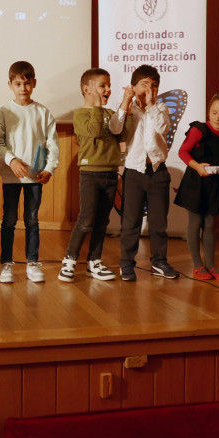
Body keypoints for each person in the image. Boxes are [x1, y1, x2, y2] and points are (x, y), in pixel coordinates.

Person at [0, 61, 59, 284]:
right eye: (18, 83)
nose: (23, 88)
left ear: (34, 83)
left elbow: (53, 144)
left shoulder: (42, 112)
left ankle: (32, 262)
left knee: (32, 220)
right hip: (11, 177)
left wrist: (49, 169)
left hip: (35, 177)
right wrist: (12, 160)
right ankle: (6, 263)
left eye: (27, 83)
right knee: (9, 220)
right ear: (10, 84)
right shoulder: (5, 111)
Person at [108, 64, 177, 281]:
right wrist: (126, 102)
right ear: (134, 86)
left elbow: (163, 128)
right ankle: (127, 264)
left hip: (157, 170)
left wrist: (151, 105)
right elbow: (115, 129)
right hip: (134, 171)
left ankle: (159, 262)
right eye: (144, 84)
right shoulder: (126, 108)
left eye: (154, 85)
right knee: (130, 222)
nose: (149, 89)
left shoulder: (161, 107)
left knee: (159, 223)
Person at [58, 68, 123, 283]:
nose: (108, 89)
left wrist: (128, 111)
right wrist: (96, 107)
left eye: (109, 85)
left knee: (102, 221)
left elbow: (124, 134)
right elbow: (94, 131)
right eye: (103, 85)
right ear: (87, 89)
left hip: (110, 173)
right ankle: (69, 260)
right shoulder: (81, 114)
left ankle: (94, 261)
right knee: (86, 219)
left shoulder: (110, 114)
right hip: (90, 173)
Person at [175, 91, 219, 281]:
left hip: (214, 183)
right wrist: (197, 166)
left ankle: (211, 265)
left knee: (211, 224)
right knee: (195, 223)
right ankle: (198, 265)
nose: (217, 118)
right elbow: (183, 151)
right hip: (195, 182)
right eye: (213, 113)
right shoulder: (199, 130)